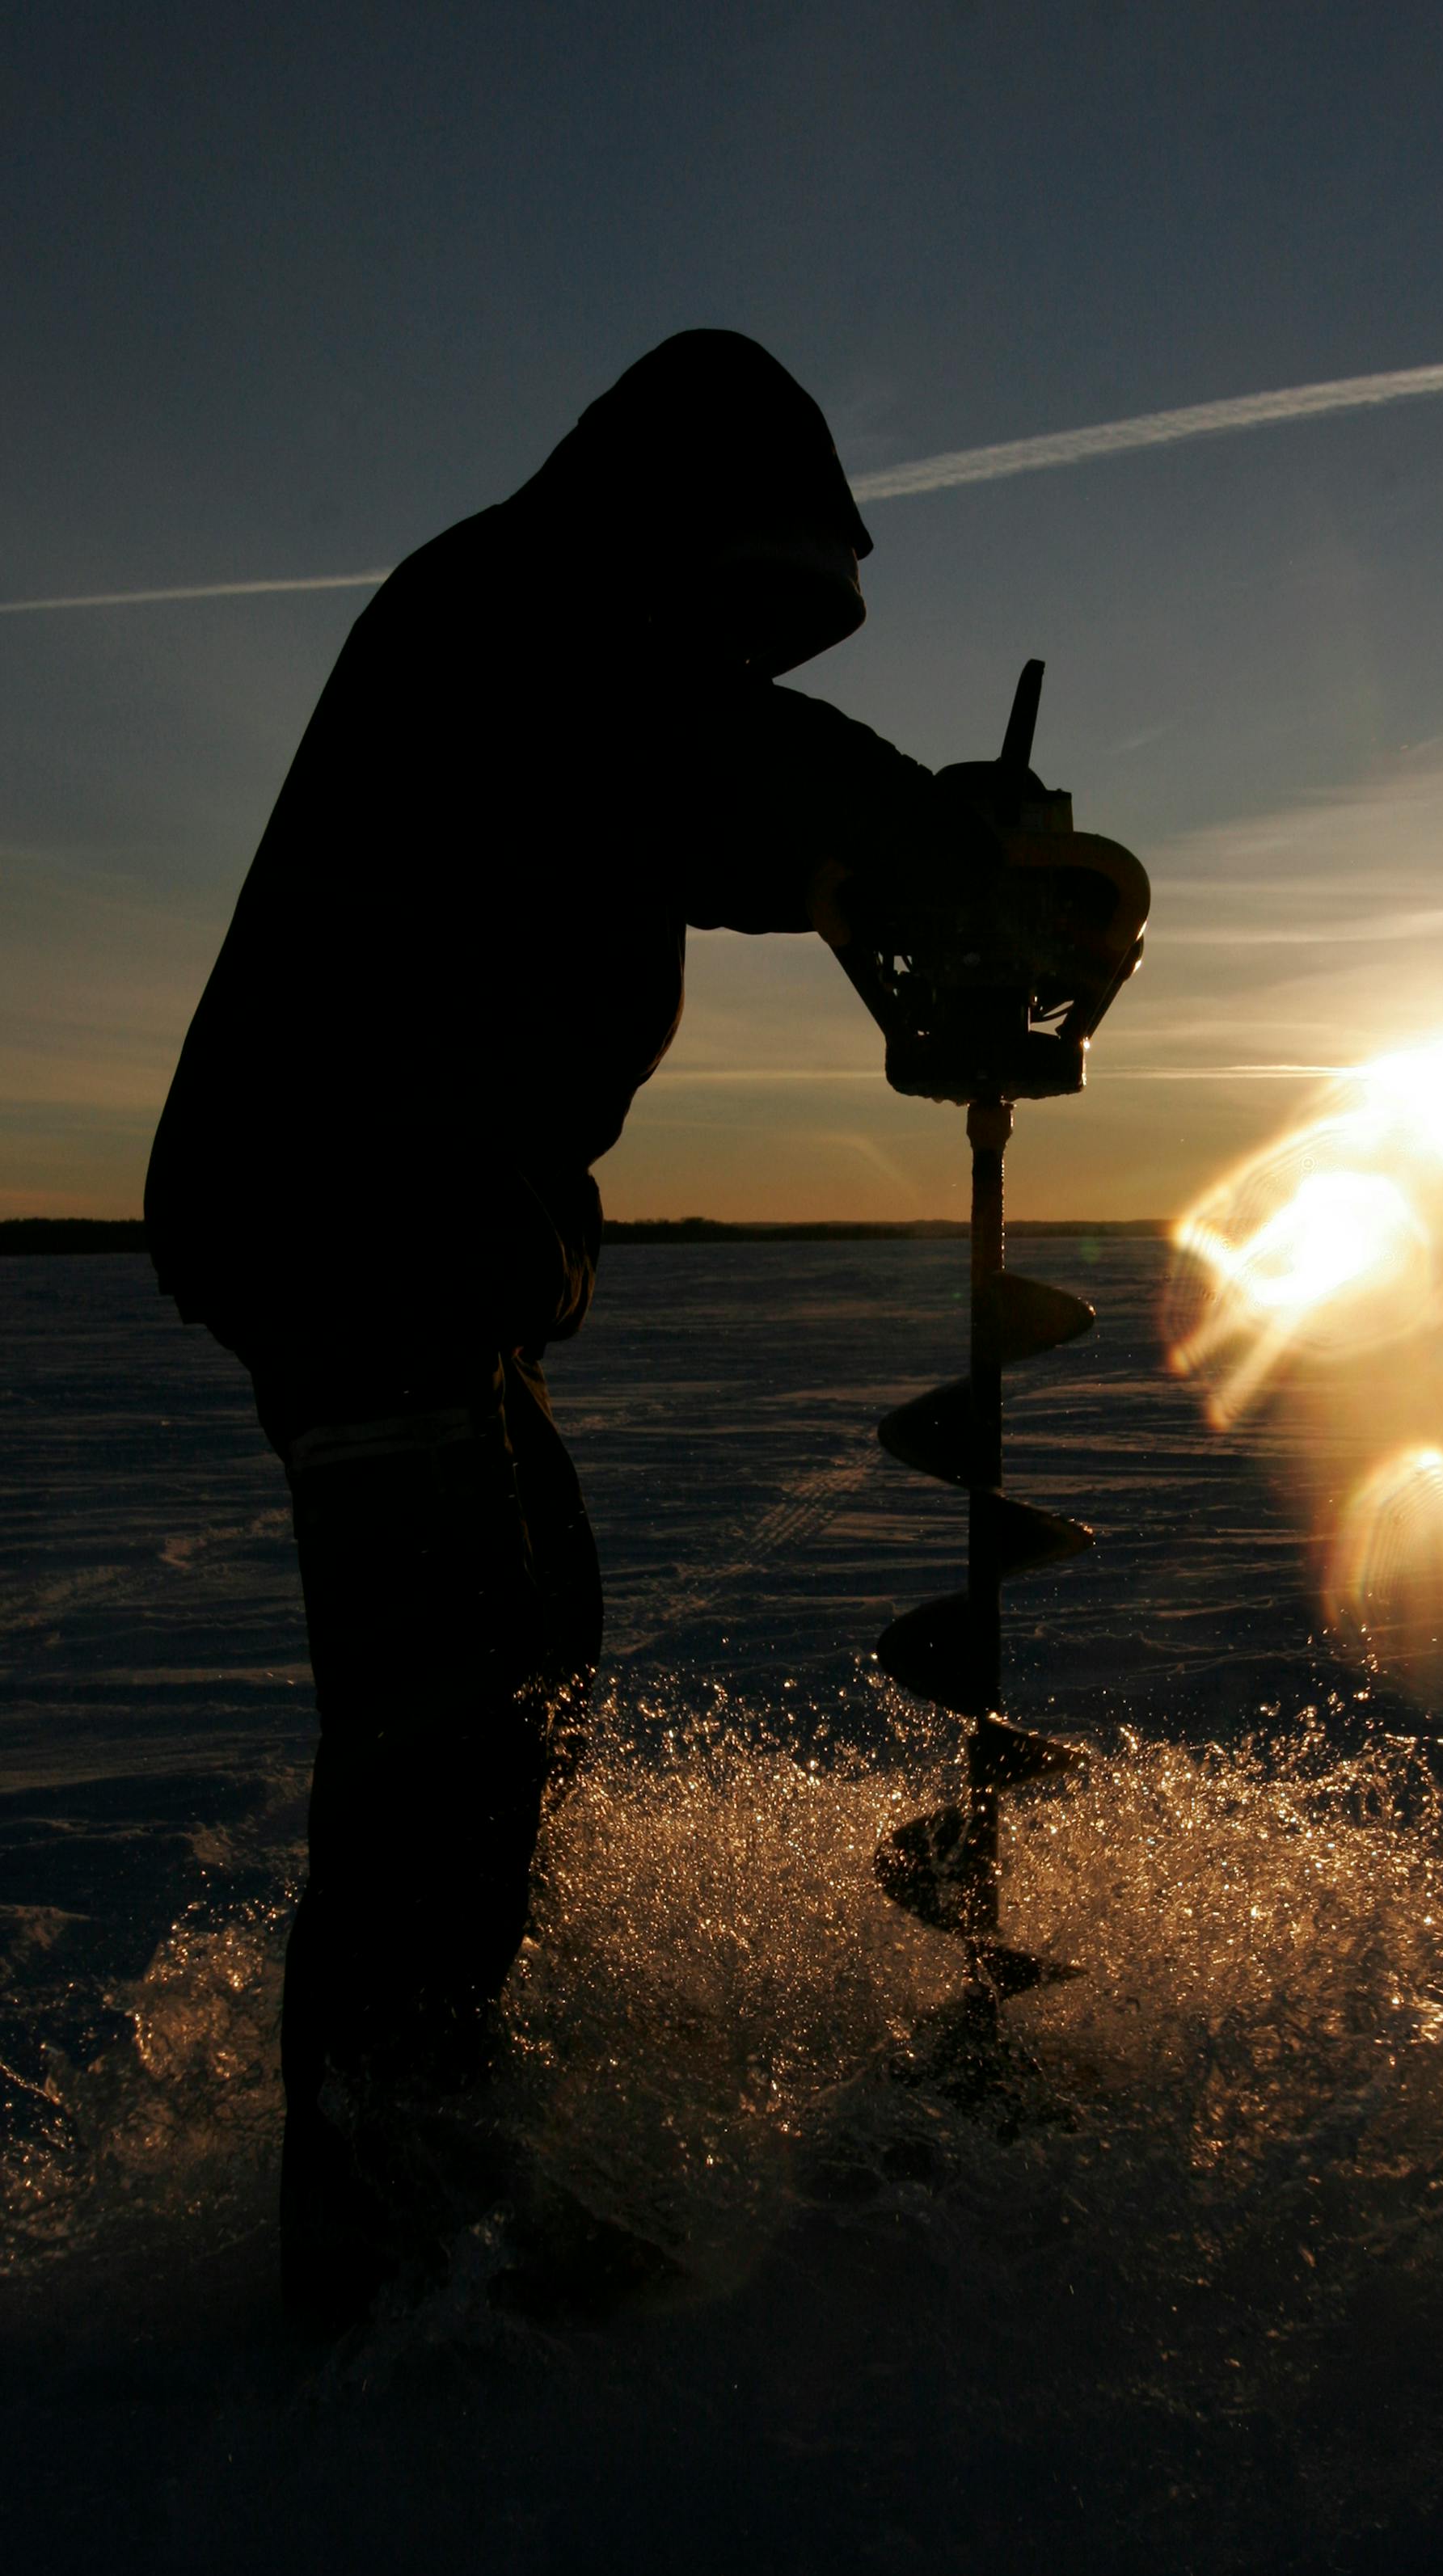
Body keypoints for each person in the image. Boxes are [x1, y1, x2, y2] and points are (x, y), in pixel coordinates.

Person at [144, 330, 1001, 2319]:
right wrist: (917, 833)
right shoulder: (522, 613)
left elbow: (707, 787)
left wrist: (896, 840)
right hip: (345, 1211)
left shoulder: (573, 647)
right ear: (676, 521)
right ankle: (383, 2278)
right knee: (442, 1725)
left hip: (406, 1229)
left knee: (533, 1640)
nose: (755, 649)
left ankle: (466, 2144)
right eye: (749, 595)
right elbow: (701, 766)